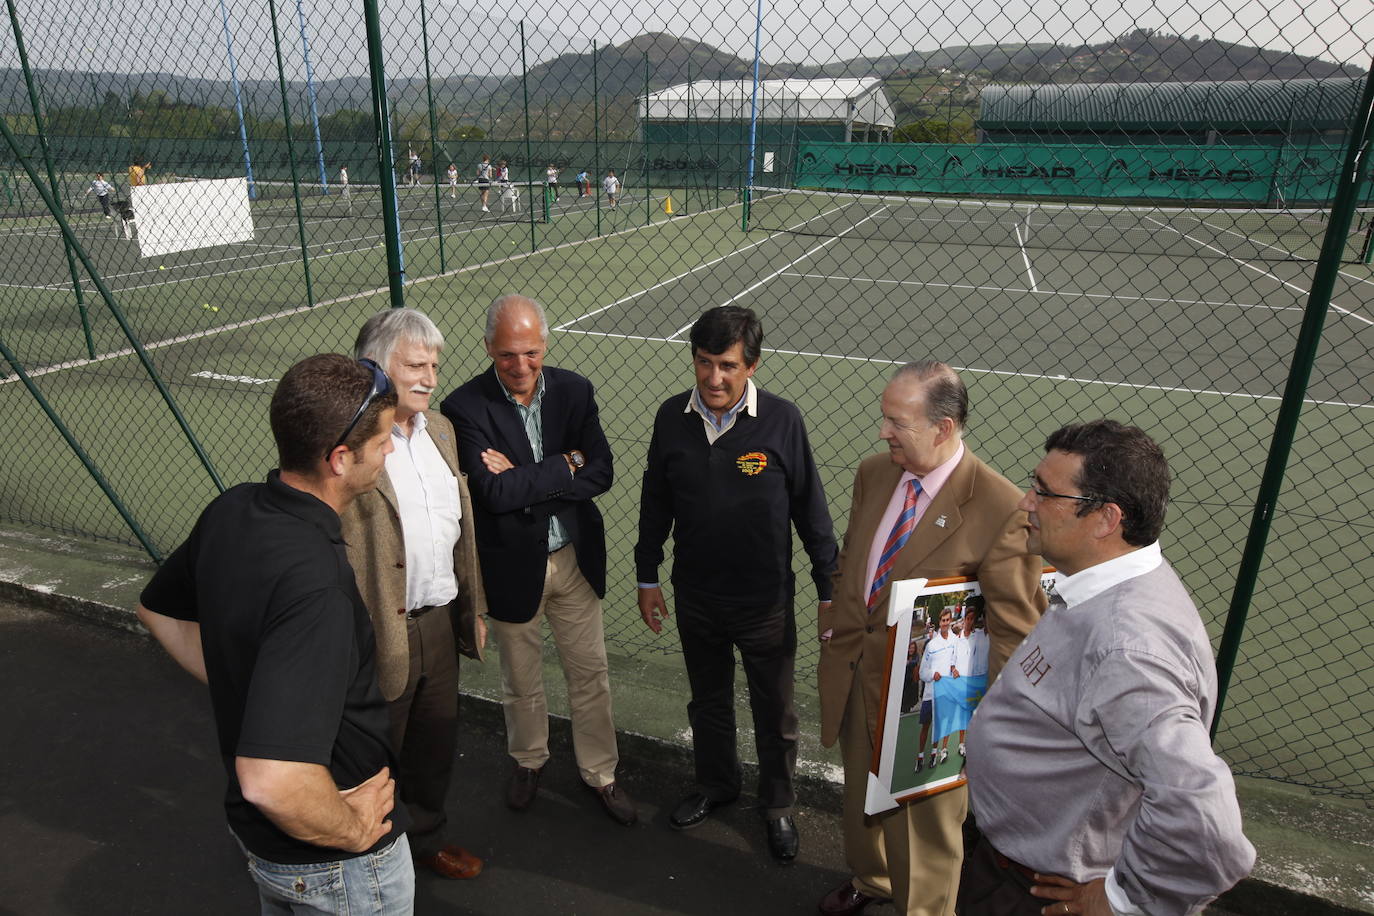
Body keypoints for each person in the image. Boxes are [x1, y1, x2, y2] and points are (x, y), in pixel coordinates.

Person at [136, 354, 414, 913]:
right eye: (384, 440)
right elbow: (271, 780)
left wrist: (248, 682)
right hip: (340, 868)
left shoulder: (231, 509)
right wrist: (354, 831)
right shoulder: (319, 586)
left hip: (266, 850)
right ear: (340, 459)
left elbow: (157, 611)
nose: (391, 450)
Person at [962, 420, 1255, 916]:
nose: (1024, 502)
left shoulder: (1128, 650)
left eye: (1044, 492)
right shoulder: (1099, 588)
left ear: (1104, 519)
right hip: (1012, 866)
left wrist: (1123, 902)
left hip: (1034, 893)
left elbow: (1206, 824)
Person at [816, 360, 1046, 916]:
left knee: (925, 835)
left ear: (943, 428)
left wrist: (986, 731)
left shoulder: (1000, 509)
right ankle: (873, 881)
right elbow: (855, 557)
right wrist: (837, 613)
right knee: (860, 802)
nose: (883, 431)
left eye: (897, 422)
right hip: (855, 675)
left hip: (932, 713)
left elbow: (1017, 633)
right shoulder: (875, 473)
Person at [635, 305, 837, 863]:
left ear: (752, 366)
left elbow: (811, 512)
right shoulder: (669, 418)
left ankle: (777, 806)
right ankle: (717, 784)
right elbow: (656, 502)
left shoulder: (782, 421)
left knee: (775, 712)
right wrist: (647, 576)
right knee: (710, 703)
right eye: (704, 363)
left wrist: (828, 590)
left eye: (727, 365)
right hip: (695, 596)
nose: (714, 378)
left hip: (764, 602)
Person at [440, 294, 636, 827]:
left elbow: (602, 471)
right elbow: (492, 493)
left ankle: (601, 773)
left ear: (544, 345)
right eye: (507, 355)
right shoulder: (463, 407)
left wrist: (528, 479)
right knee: (520, 677)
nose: (520, 365)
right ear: (488, 350)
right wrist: (563, 467)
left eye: (530, 352)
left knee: (589, 673)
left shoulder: (575, 390)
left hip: (572, 558)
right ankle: (529, 761)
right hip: (510, 565)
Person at [339, 309, 488, 882]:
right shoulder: (350, 439)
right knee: (372, 756)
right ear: (376, 367)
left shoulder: (441, 430)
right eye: (415, 365)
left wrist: (470, 608)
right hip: (379, 625)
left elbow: (459, 527)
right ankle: (366, 858)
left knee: (433, 745)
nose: (429, 376)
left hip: (438, 619)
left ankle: (425, 838)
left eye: (434, 365)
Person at [915, 606, 960, 772]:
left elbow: (957, 663)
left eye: (948, 620)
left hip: (945, 694)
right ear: (939, 622)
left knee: (938, 726)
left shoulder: (956, 641)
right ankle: (920, 757)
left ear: (951, 621)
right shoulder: (931, 645)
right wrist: (933, 674)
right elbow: (922, 671)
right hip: (930, 693)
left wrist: (955, 670)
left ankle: (934, 754)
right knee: (925, 727)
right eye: (943, 621)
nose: (945, 623)